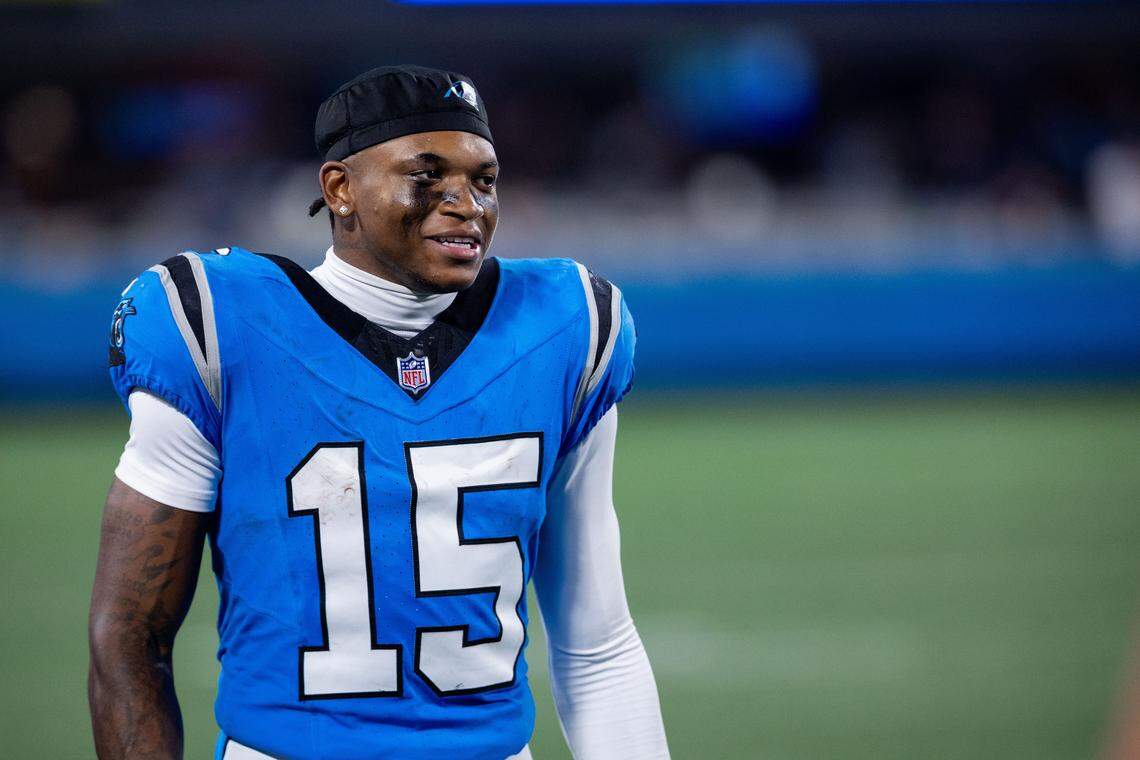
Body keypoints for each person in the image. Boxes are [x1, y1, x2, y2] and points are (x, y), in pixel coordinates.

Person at [87, 65, 669, 760]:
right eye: (427, 177)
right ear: (340, 190)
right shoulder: (216, 323)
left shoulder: (567, 325)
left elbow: (596, 643)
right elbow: (129, 635)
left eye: (483, 180)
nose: (467, 205)